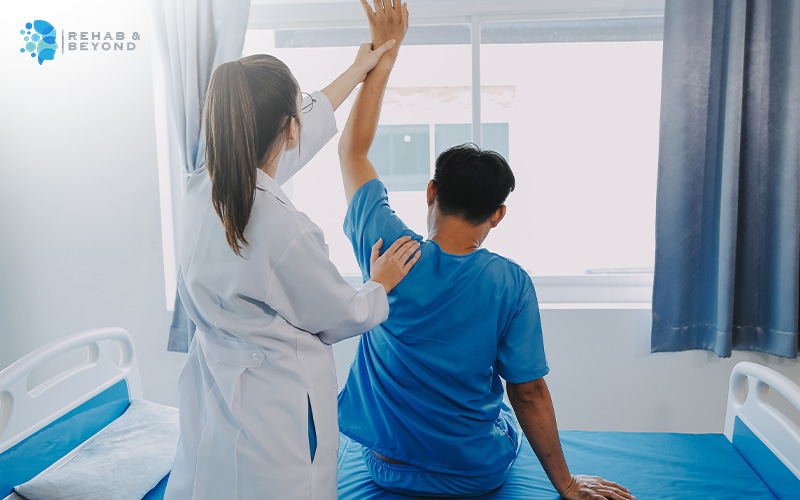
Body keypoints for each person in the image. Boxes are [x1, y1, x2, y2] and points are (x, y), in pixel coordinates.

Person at [336, 2, 635, 499]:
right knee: (499, 417)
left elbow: (352, 150)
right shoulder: (510, 283)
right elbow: (528, 391)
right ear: (498, 214)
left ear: (431, 193)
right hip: (474, 477)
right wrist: (566, 485)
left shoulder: (387, 249)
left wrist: (386, 51)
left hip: (387, 467)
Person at [164, 41, 422, 500]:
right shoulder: (282, 229)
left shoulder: (202, 186)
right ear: (289, 127)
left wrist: (358, 69)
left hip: (220, 384)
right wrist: (379, 284)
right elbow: (341, 315)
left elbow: (305, 124)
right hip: (274, 406)